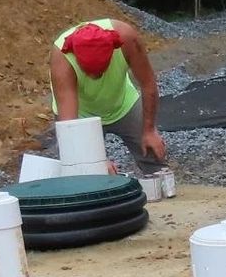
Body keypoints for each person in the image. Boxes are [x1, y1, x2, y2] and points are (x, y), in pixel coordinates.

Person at [49, 18, 167, 167]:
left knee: (152, 154)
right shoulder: (62, 57)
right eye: (89, 72)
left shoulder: (127, 39)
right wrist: (95, 162)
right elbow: (70, 124)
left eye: (100, 71)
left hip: (123, 104)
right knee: (79, 166)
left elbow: (148, 83)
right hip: (81, 115)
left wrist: (149, 130)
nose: (95, 77)